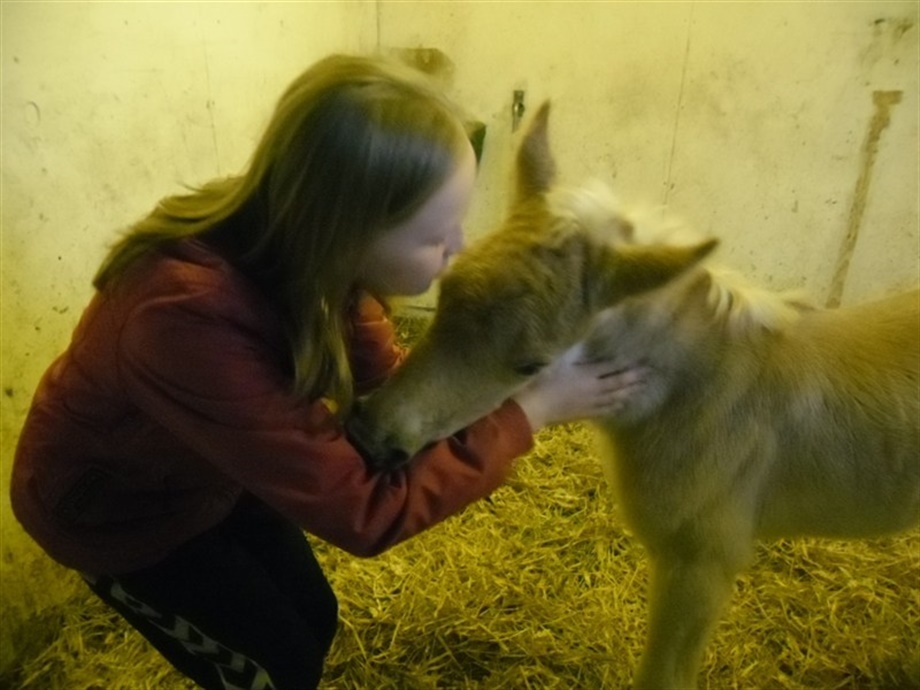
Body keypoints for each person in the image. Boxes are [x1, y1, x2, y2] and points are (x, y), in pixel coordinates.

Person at [10, 54, 643, 690]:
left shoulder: (304, 242)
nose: (460, 249)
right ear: (351, 230)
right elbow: (363, 511)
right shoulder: (185, 322)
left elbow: (383, 379)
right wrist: (531, 412)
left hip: (213, 470)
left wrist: (481, 381)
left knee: (315, 616)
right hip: (121, 519)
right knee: (274, 667)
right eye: (437, 234)